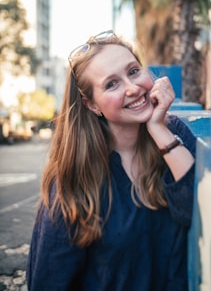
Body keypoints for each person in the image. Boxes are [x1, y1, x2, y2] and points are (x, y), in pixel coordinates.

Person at [26, 30, 196, 291]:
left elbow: (199, 208)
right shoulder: (73, 182)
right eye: (111, 84)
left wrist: (159, 129)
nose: (132, 88)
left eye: (133, 71)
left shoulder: (174, 135)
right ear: (92, 105)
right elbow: (47, 281)